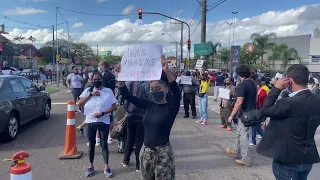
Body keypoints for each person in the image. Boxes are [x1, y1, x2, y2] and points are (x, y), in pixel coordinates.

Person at [117, 60, 180, 179]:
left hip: (163, 153)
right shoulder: (148, 105)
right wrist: (121, 76)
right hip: (146, 152)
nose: (154, 91)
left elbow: (176, 92)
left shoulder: (171, 107)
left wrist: (166, 72)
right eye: (152, 89)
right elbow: (126, 95)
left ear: (166, 90)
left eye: (158, 88)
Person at [257, 64, 320, 180]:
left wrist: (276, 88)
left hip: (288, 159)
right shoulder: (317, 100)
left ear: (289, 81)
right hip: (307, 157)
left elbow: (265, 110)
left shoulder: (289, 102)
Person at [78, 72, 117, 178]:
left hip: (104, 121)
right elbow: (79, 103)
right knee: (91, 145)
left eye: (98, 79)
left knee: (104, 145)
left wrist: (103, 113)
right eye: (94, 79)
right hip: (90, 121)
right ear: (91, 80)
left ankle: (106, 166)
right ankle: (91, 166)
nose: (96, 81)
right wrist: (91, 94)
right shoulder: (88, 91)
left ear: (102, 80)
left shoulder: (108, 91)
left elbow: (114, 107)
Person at [225, 65, 257, 167]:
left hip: (244, 114)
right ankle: (235, 151)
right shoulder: (252, 83)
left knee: (243, 135)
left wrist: (231, 115)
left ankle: (246, 159)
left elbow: (239, 102)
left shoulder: (241, 85)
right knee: (239, 133)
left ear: (239, 74)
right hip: (250, 112)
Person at [122, 81, 151, 172]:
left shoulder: (128, 83)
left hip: (130, 114)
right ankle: (138, 165)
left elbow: (122, 96)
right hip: (142, 115)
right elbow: (150, 98)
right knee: (139, 140)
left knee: (129, 138)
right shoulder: (145, 84)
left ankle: (126, 160)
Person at [249, 80, 267, 146]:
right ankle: (266, 138)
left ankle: (253, 141)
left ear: (258, 86)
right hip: (257, 110)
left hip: (260, 111)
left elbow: (258, 100)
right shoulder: (258, 91)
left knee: (254, 126)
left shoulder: (262, 92)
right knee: (258, 128)